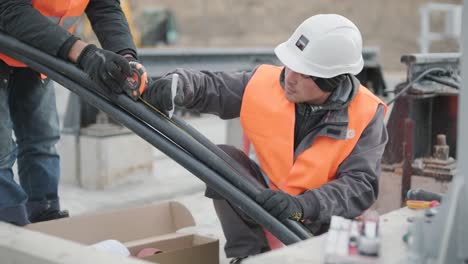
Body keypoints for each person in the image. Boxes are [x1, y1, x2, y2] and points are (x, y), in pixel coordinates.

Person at [142, 14, 388, 263]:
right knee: (221, 159)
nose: (290, 77)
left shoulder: (366, 113)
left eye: (303, 74)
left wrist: (302, 206)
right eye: (290, 64)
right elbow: (214, 87)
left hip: (323, 216)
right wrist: (179, 84)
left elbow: (360, 186)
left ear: (331, 81)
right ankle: (248, 255)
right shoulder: (266, 83)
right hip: (269, 201)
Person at [0, 0, 139, 226]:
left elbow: (105, 6)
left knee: (42, 140)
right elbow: (9, 8)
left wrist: (126, 57)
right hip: (20, 38)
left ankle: (46, 216)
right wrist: (80, 52)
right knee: (1, 153)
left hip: (37, 51)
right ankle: (9, 229)